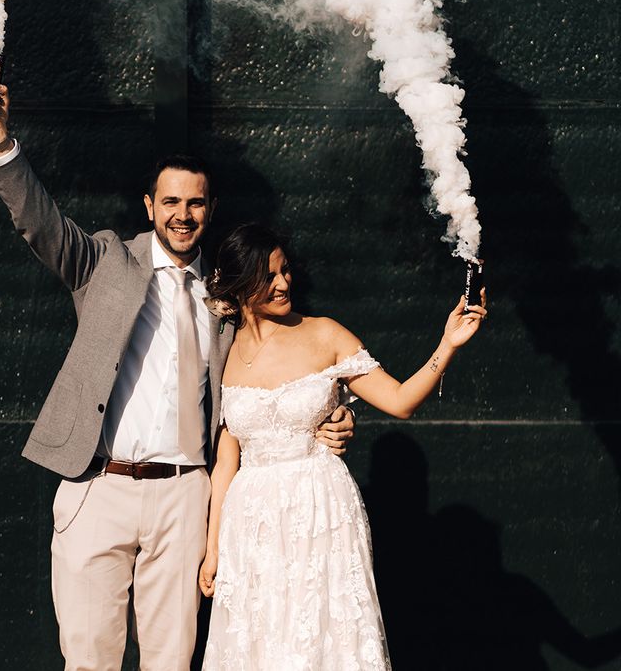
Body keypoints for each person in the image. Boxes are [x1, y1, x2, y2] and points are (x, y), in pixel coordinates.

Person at [0, 75, 357, 670]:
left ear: (211, 210)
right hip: (97, 486)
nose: (182, 215)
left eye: (195, 203)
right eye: (170, 202)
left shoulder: (230, 298)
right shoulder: (102, 260)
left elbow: (280, 369)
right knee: (89, 661)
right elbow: (41, 223)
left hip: (186, 495)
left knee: (171, 662)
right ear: (149, 207)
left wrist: (332, 417)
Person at [198, 224, 488, 670]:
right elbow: (225, 462)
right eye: (268, 275)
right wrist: (213, 546)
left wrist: (447, 344)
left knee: (325, 644)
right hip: (251, 524)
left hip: (320, 511)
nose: (283, 283)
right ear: (239, 288)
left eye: (285, 270)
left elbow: (400, 400)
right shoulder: (224, 349)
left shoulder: (325, 334)